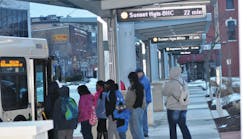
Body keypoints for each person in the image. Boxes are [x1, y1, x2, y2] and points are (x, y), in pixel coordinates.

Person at [162, 66, 192, 139]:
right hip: (183, 107)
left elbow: (164, 92)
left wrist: (166, 83)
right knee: (183, 126)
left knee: (172, 128)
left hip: (173, 108)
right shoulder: (183, 82)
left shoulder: (171, 83)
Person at [125, 72, 146, 139]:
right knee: (133, 129)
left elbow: (139, 98)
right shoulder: (132, 86)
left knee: (137, 129)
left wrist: (134, 107)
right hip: (131, 109)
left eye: (130, 79)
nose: (129, 80)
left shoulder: (138, 86)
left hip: (136, 109)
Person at [136, 68, 152, 137]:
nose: (138, 75)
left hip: (144, 101)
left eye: (139, 73)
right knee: (142, 116)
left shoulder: (144, 80)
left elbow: (141, 90)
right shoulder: (142, 80)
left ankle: (144, 132)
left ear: (142, 73)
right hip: (143, 100)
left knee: (142, 117)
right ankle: (144, 132)